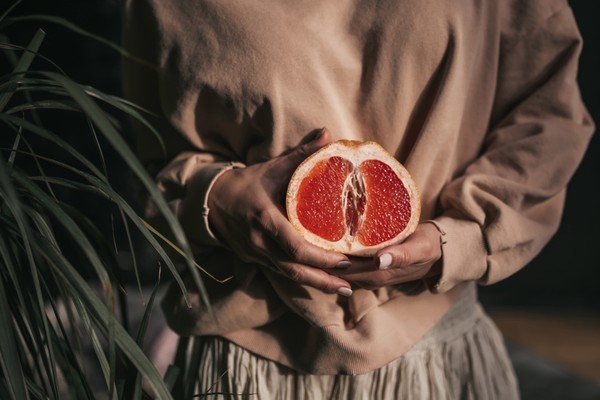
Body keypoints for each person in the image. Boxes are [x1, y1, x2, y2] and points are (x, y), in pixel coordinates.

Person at [122, 0, 594, 398]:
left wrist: (462, 237)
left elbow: (549, 116)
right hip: (240, 354)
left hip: (428, 351)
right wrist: (214, 194)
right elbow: (145, 151)